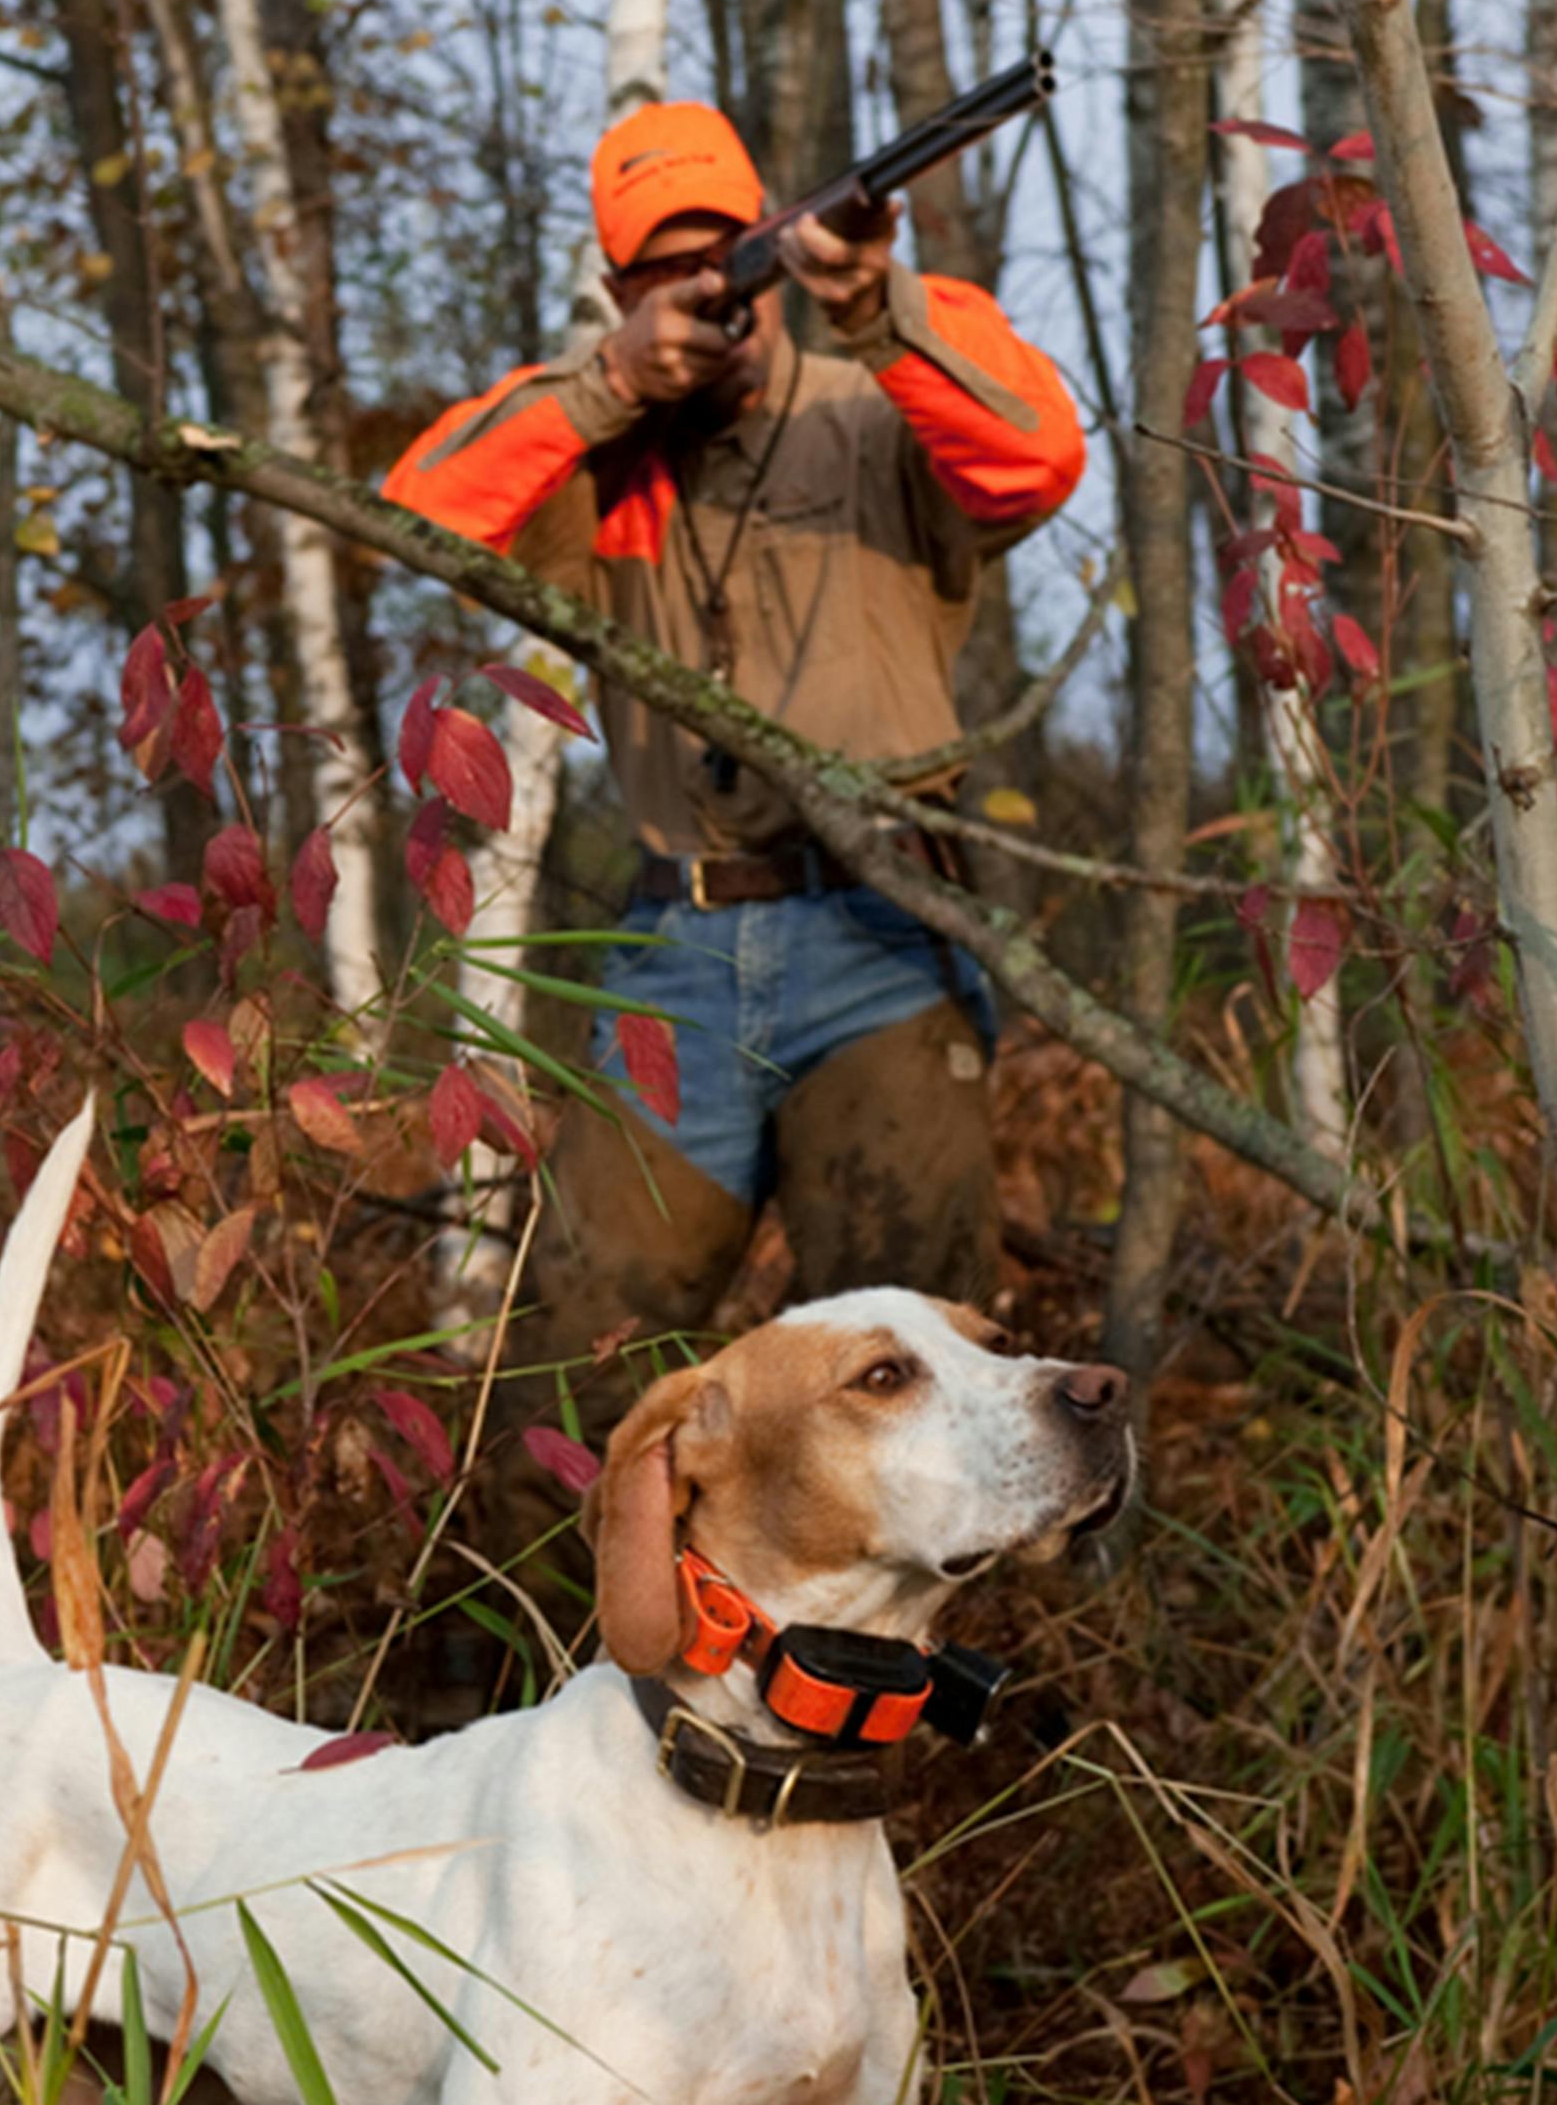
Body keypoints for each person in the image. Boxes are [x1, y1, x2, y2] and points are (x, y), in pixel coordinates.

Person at [382, 98, 1085, 1418]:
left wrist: (881, 309)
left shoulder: (882, 410)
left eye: (736, 260)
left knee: (917, 1380)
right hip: (679, 961)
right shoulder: (607, 458)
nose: (720, 299)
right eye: (673, 278)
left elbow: (1039, 456)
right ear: (621, 296)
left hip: (884, 938)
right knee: (574, 1367)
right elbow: (416, 520)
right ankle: (583, 1627)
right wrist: (612, 382)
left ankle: (912, 1636)